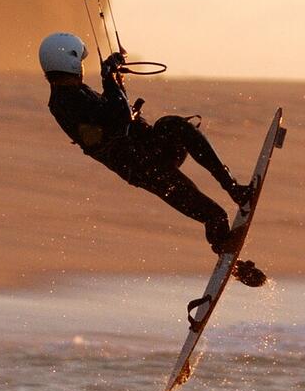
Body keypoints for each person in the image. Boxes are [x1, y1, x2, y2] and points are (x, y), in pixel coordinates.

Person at [40, 32, 252, 253]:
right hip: (145, 169)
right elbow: (118, 116)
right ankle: (229, 254)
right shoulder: (65, 102)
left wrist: (114, 79)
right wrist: (108, 78)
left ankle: (233, 187)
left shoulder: (74, 92)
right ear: (71, 60)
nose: (83, 67)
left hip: (151, 149)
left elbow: (114, 113)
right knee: (216, 217)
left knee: (174, 125)